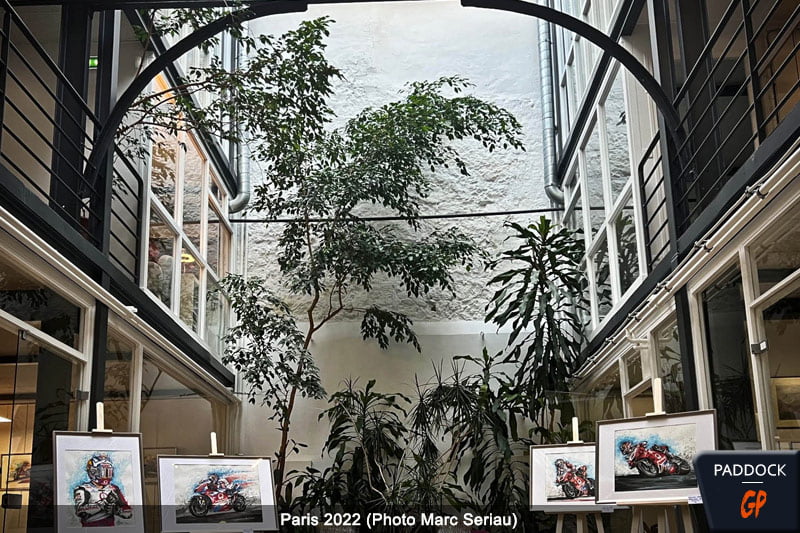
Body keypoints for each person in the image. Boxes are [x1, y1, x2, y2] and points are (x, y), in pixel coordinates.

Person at [73, 454, 133, 527]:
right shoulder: (83, 489)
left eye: (108, 471)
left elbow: (128, 513)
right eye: (103, 471)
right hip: (90, 528)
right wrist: (104, 504)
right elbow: (80, 511)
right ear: (93, 472)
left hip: (110, 527)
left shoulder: (114, 489)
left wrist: (116, 510)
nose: (106, 475)